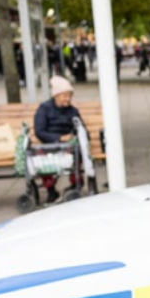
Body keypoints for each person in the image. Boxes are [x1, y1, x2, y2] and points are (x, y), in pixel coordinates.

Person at [34, 76, 85, 204]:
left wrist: (76, 136)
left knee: (77, 152)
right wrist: (59, 138)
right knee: (42, 159)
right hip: (50, 144)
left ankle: (75, 185)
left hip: (69, 145)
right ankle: (51, 190)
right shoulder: (44, 109)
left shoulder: (73, 111)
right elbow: (39, 131)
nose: (68, 99)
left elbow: (82, 128)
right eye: (65, 96)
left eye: (70, 96)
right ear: (56, 96)